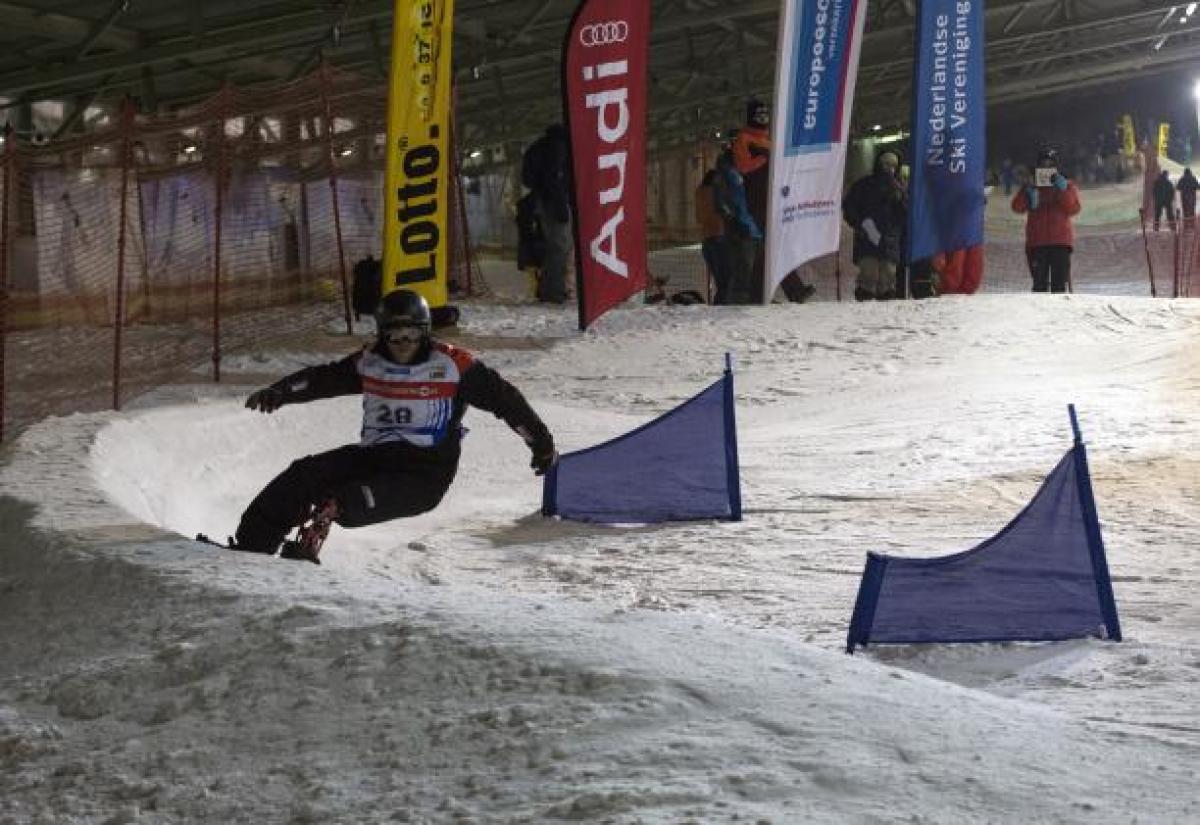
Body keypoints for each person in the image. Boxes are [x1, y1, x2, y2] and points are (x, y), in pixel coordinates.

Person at [232, 289, 558, 560]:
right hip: (373, 457)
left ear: (425, 331)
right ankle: (250, 548)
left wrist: (540, 443)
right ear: (381, 333)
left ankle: (307, 545)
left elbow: (507, 402)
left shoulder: (453, 366)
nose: (402, 342)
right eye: (394, 334)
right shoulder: (370, 360)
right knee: (301, 476)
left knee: (341, 500)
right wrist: (281, 392)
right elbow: (323, 379)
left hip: (422, 475)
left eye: (411, 333)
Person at [733, 99, 815, 304]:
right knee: (773, 246)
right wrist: (764, 160)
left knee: (771, 248)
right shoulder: (744, 139)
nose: (763, 117)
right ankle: (791, 290)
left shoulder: (770, 140)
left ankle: (759, 294)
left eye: (765, 113)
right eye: (758, 113)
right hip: (757, 200)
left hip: (774, 199)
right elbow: (742, 166)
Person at [1011, 147, 1081, 293]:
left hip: (1060, 242)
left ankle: (1059, 314)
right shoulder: (1032, 186)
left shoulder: (1066, 185)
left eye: (1050, 165)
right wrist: (1028, 190)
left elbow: (1073, 209)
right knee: (1039, 285)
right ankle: (1039, 314)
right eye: (1043, 165)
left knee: (1059, 286)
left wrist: (1063, 190)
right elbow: (1017, 208)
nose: (1046, 169)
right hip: (1037, 242)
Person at [842, 150, 907, 301]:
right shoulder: (864, 185)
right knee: (868, 274)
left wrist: (899, 199)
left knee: (888, 275)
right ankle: (865, 304)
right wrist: (858, 224)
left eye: (893, 165)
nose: (889, 168)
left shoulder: (900, 187)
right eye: (886, 164)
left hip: (890, 238)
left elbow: (906, 214)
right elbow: (850, 206)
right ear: (879, 163)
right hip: (868, 235)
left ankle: (885, 310)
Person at [521, 124, 572, 303]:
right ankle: (554, 292)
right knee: (559, 247)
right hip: (553, 202)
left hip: (542, 199)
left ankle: (547, 289)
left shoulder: (542, 145)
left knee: (554, 246)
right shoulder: (558, 147)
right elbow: (554, 178)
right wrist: (561, 205)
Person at [711, 147, 761, 304]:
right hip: (739, 228)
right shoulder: (725, 176)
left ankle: (748, 298)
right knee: (742, 267)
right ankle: (738, 299)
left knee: (749, 266)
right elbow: (721, 203)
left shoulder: (738, 174)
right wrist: (733, 221)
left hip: (748, 227)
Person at [695, 168, 730, 304]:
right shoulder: (717, 193)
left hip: (706, 238)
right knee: (725, 282)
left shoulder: (699, 193)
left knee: (720, 280)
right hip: (719, 237)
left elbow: (699, 218)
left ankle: (718, 307)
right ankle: (719, 309)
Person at [350, 255, 382, 321]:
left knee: (360, 298)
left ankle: (358, 316)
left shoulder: (360, 266)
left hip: (361, 290)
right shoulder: (376, 265)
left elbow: (355, 272)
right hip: (370, 290)